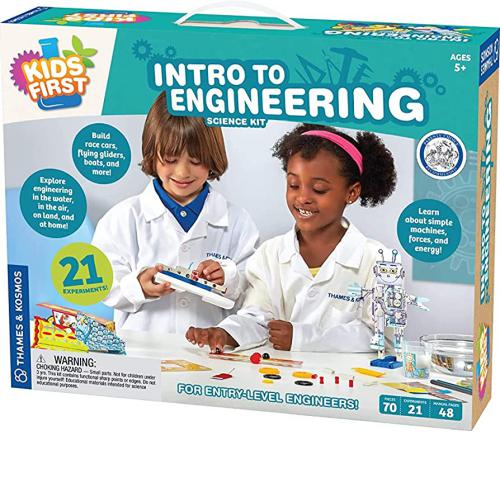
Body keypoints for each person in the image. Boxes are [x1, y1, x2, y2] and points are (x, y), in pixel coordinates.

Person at [186, 123, 397, 353]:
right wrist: (226, 333)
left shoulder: (380, 262)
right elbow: (257, 317)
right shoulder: (270, 254)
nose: (303, 197)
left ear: (351, 192)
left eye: (319, 189)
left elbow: (382, 337)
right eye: (293, 185)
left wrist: (303, 337)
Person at [92, 91, 259, 335]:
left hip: (210, 350)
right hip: (142, 350)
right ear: (152, 153)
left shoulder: (237, 222)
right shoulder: (122, 218)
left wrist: (228, 277)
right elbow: (102, 283)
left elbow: (255, 288)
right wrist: (138, 286)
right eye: (170, 159)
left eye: (196, 160)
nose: (182, 172)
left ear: (213, 156)